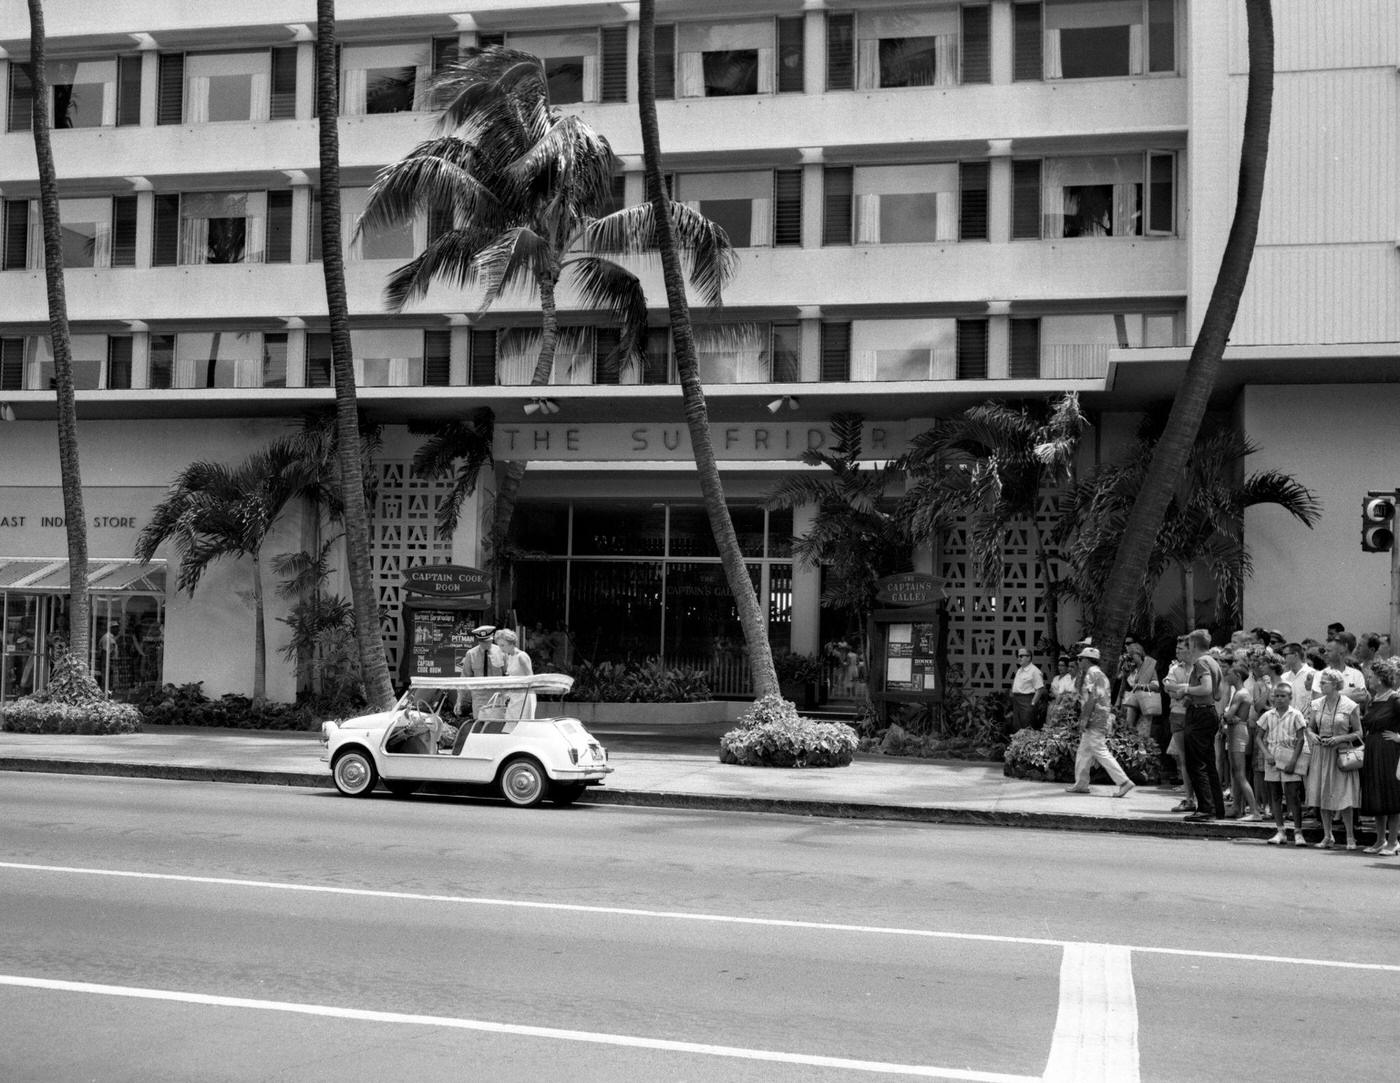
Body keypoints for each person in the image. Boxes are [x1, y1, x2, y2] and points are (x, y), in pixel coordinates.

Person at [1167, 629, 1227, 821]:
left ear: (1193, 645)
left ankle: (1205, 809)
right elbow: (1217, 692)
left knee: (1197, 763)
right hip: (1207, 710)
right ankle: (1216, 807)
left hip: (1200, 713)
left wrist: (1186, 688)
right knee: (1208, 763)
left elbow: (1207, 688)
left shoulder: (1201, 662)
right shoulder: (1213, 662)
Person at [1063, 647, 1135, 798]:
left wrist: (1084, 719)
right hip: (1100, 717)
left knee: (1100, 751)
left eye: (1080, 659)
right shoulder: (1098, 674)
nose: (1078, 661)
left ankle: (1123, 781)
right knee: (1084, 751)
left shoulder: (1091, 674)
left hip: (1094, 719)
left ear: (1087, 660)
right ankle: (1081, 784)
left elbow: (1091, 699)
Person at [1305, 668, 1364, 849]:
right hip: (1321, 753)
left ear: (1335, 685)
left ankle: (1350, 837)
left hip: (1340, 754)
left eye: (1324, 683)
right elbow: (1309, 727)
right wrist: (1312, 736)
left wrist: (1339, 738)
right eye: (1320, 682)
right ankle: (1327, 835)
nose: (1321, 685)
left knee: (1343, 794)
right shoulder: (1316, 704)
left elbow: (1359, 732)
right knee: (1323, 793)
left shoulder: (1349, 705)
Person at [1257, 683, 1309, 846]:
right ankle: (1280, 830)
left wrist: (1293, 760)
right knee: (1275, 794)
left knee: (1293, 795)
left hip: (1289, 756)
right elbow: (1259, 736)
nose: (1279, 699)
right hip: (1272, 757)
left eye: (1283, 696)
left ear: (1290, 697)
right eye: (1276, 696)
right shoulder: (1268, 715)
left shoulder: (1296, 715)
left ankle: (1298, 831)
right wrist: (1266, 754)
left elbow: (1301, 738)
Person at [1358, 657, 1400, 856]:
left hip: (1389, 752)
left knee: (1391, 796)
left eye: (1372, 676)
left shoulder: (1395, 700)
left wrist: (1398, 737)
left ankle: (1393, 841)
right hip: (1373, 750)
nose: (1369, 679)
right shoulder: (1373, 699)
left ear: (1381, 678)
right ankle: (1380, 839)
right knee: (1376, 796)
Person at [1220, 662, 1263, 819]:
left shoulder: (1240, 694)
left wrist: (1224, 716)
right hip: (1235, 731)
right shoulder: (1238, 692)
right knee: (1235, 772)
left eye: (1230, 673)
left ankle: (1254, 811)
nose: (1227, 676)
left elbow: (1228, 715)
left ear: (1237, 676)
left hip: (1238, 732)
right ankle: (1238, 807)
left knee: (1240, 773)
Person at [1164, 637, 1194, 809]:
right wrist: (1187, 689)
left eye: (1181, 649)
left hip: (1194, 714)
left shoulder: (1199, 667)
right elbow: (1170, 690)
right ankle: (1189, 798)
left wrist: (1183, 690)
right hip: (1177, 714)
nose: (1177, 652)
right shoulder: (1175, 668)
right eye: (1177, 649)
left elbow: (1203, 690)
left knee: (1196, 758)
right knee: (1184, 759)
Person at [455, 625, 501, 716]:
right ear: (478, 641)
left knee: (495, 726)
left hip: (497, 696)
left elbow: (508, 674)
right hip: (479, 697)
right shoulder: (471, 654)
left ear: (492, 639)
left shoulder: (501, 652)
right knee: (479, 725)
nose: (485, 644)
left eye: (488, 641)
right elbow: (464, 677)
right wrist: (459, 700)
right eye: (482, 642)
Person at [494, 628, 536, 718]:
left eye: (503, 645)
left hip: (525, 695)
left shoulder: (522, 656)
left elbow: (531, 678)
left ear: (511, 643)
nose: (501, 649)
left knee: (522, 725)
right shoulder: (510, 657)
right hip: (515, 695)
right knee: (510, 723)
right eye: (499, 646)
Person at [1008, 648, 1046, 730]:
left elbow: (1040, 689)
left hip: (1027, 701)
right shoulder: (1019, 670)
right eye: (1018, 656)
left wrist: (1032, 704)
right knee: (1017, 727)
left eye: (1021, 656)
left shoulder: (1035, 671)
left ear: (1028, 657)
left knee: (1027, 727)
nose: (1019, 658)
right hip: (1017, 702)